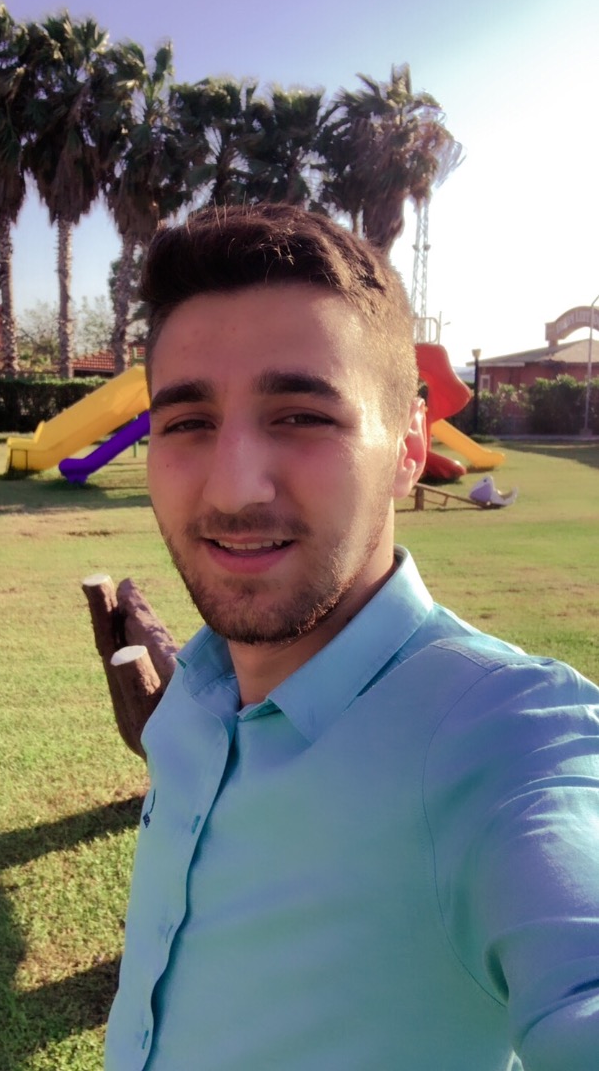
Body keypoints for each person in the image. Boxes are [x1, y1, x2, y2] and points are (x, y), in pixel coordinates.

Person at [104, 204, 599, 1071]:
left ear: (409, 446)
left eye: (301, 415)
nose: (233, 488)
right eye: (186, 422)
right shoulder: (195, 697)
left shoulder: (506, 742)